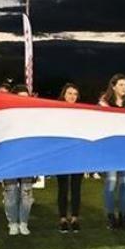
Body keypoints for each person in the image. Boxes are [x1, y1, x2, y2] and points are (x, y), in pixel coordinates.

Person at [99, 74, 125, 230]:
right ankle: (110, 216)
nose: (124, 87)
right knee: (111, 182)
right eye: (120, 84)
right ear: (113, 86)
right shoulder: (104, 104)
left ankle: (123, 215)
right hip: (111, 150)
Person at [2, 85, 35, 236]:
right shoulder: (5, 115)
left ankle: (23, 222)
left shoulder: (33, 116)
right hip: (10, 160)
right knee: (11, 193)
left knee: (26, 194)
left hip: (27, 160)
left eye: (26, 97)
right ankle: (12, 223)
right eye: (20, 96)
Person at [54, 83, 84, 233]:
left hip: (77, 155)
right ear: (64, 95)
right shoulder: (57, 112)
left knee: (76, 187)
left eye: (75, 94)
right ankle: (63, 218)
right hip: (62, 155)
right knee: (63, 188)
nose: (72, 96)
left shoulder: (82, 113)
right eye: (69, 93)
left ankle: (75, 218)